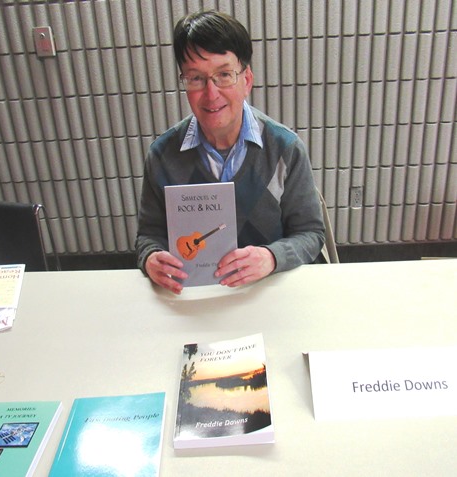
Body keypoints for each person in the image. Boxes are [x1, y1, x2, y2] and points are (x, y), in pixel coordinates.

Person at [136, 10, 325, 294]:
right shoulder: (162, 156)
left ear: (246, 80)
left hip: (267, 291)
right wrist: (150, 259)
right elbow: (149, 235)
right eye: (196, 78)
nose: (211, 93)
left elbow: (311, 234)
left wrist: (272, 257)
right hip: (194, 297)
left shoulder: (285, 148)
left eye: (224, 75)